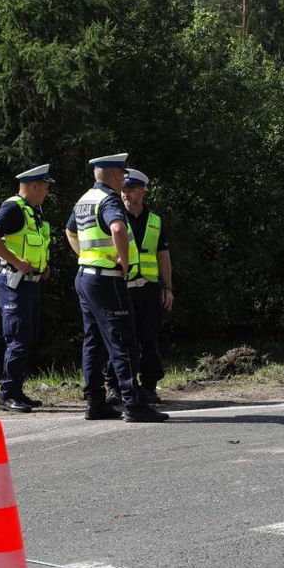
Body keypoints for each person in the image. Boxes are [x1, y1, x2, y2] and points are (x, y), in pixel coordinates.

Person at [64, 153, 168, 423]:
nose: (123, 179)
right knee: (123, 341)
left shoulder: (84, 200)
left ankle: (95, 402)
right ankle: (133, 405)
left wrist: (84, 255)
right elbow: (119, 229)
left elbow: (71, 231)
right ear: (112, 174)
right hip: (107, 278)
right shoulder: (108, 200)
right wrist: (122, 259)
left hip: (85, 276)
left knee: (93, 341)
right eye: (121, 174)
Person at [0, 164, 54, 413]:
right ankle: (7, 394)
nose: (46, 191)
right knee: (18, 339)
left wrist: (43, 266)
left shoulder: (34, 211)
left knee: (28, 338)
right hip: (14, 283)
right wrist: (16, 262)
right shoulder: (13, 207)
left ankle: (17, 391)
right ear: (33, 186)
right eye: (44, 187)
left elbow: (33, 244)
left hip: (30, 284)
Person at [103, 168, 172, 405]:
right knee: (119, 339)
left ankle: (149, 387)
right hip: (121, 285)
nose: (125, 194)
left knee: (148, 338)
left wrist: (168, 288)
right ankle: (114, 387)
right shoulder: (113, 215)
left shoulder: (155, 220)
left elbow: (163, 255)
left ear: (142, 191)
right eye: (123, 190)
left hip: (150, 288)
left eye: (130, 190)